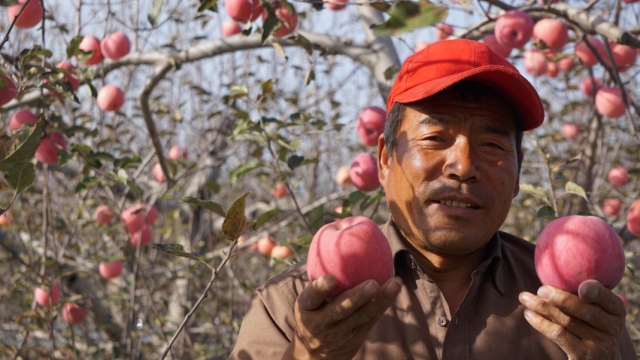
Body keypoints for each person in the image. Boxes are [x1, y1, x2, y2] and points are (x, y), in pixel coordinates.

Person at [228, 39, 635, 360]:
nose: (463, 166)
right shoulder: (293, 307)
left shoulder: (573, 311)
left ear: (517, 174)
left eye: (492, 144)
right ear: (385, 161)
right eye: (435, 139)